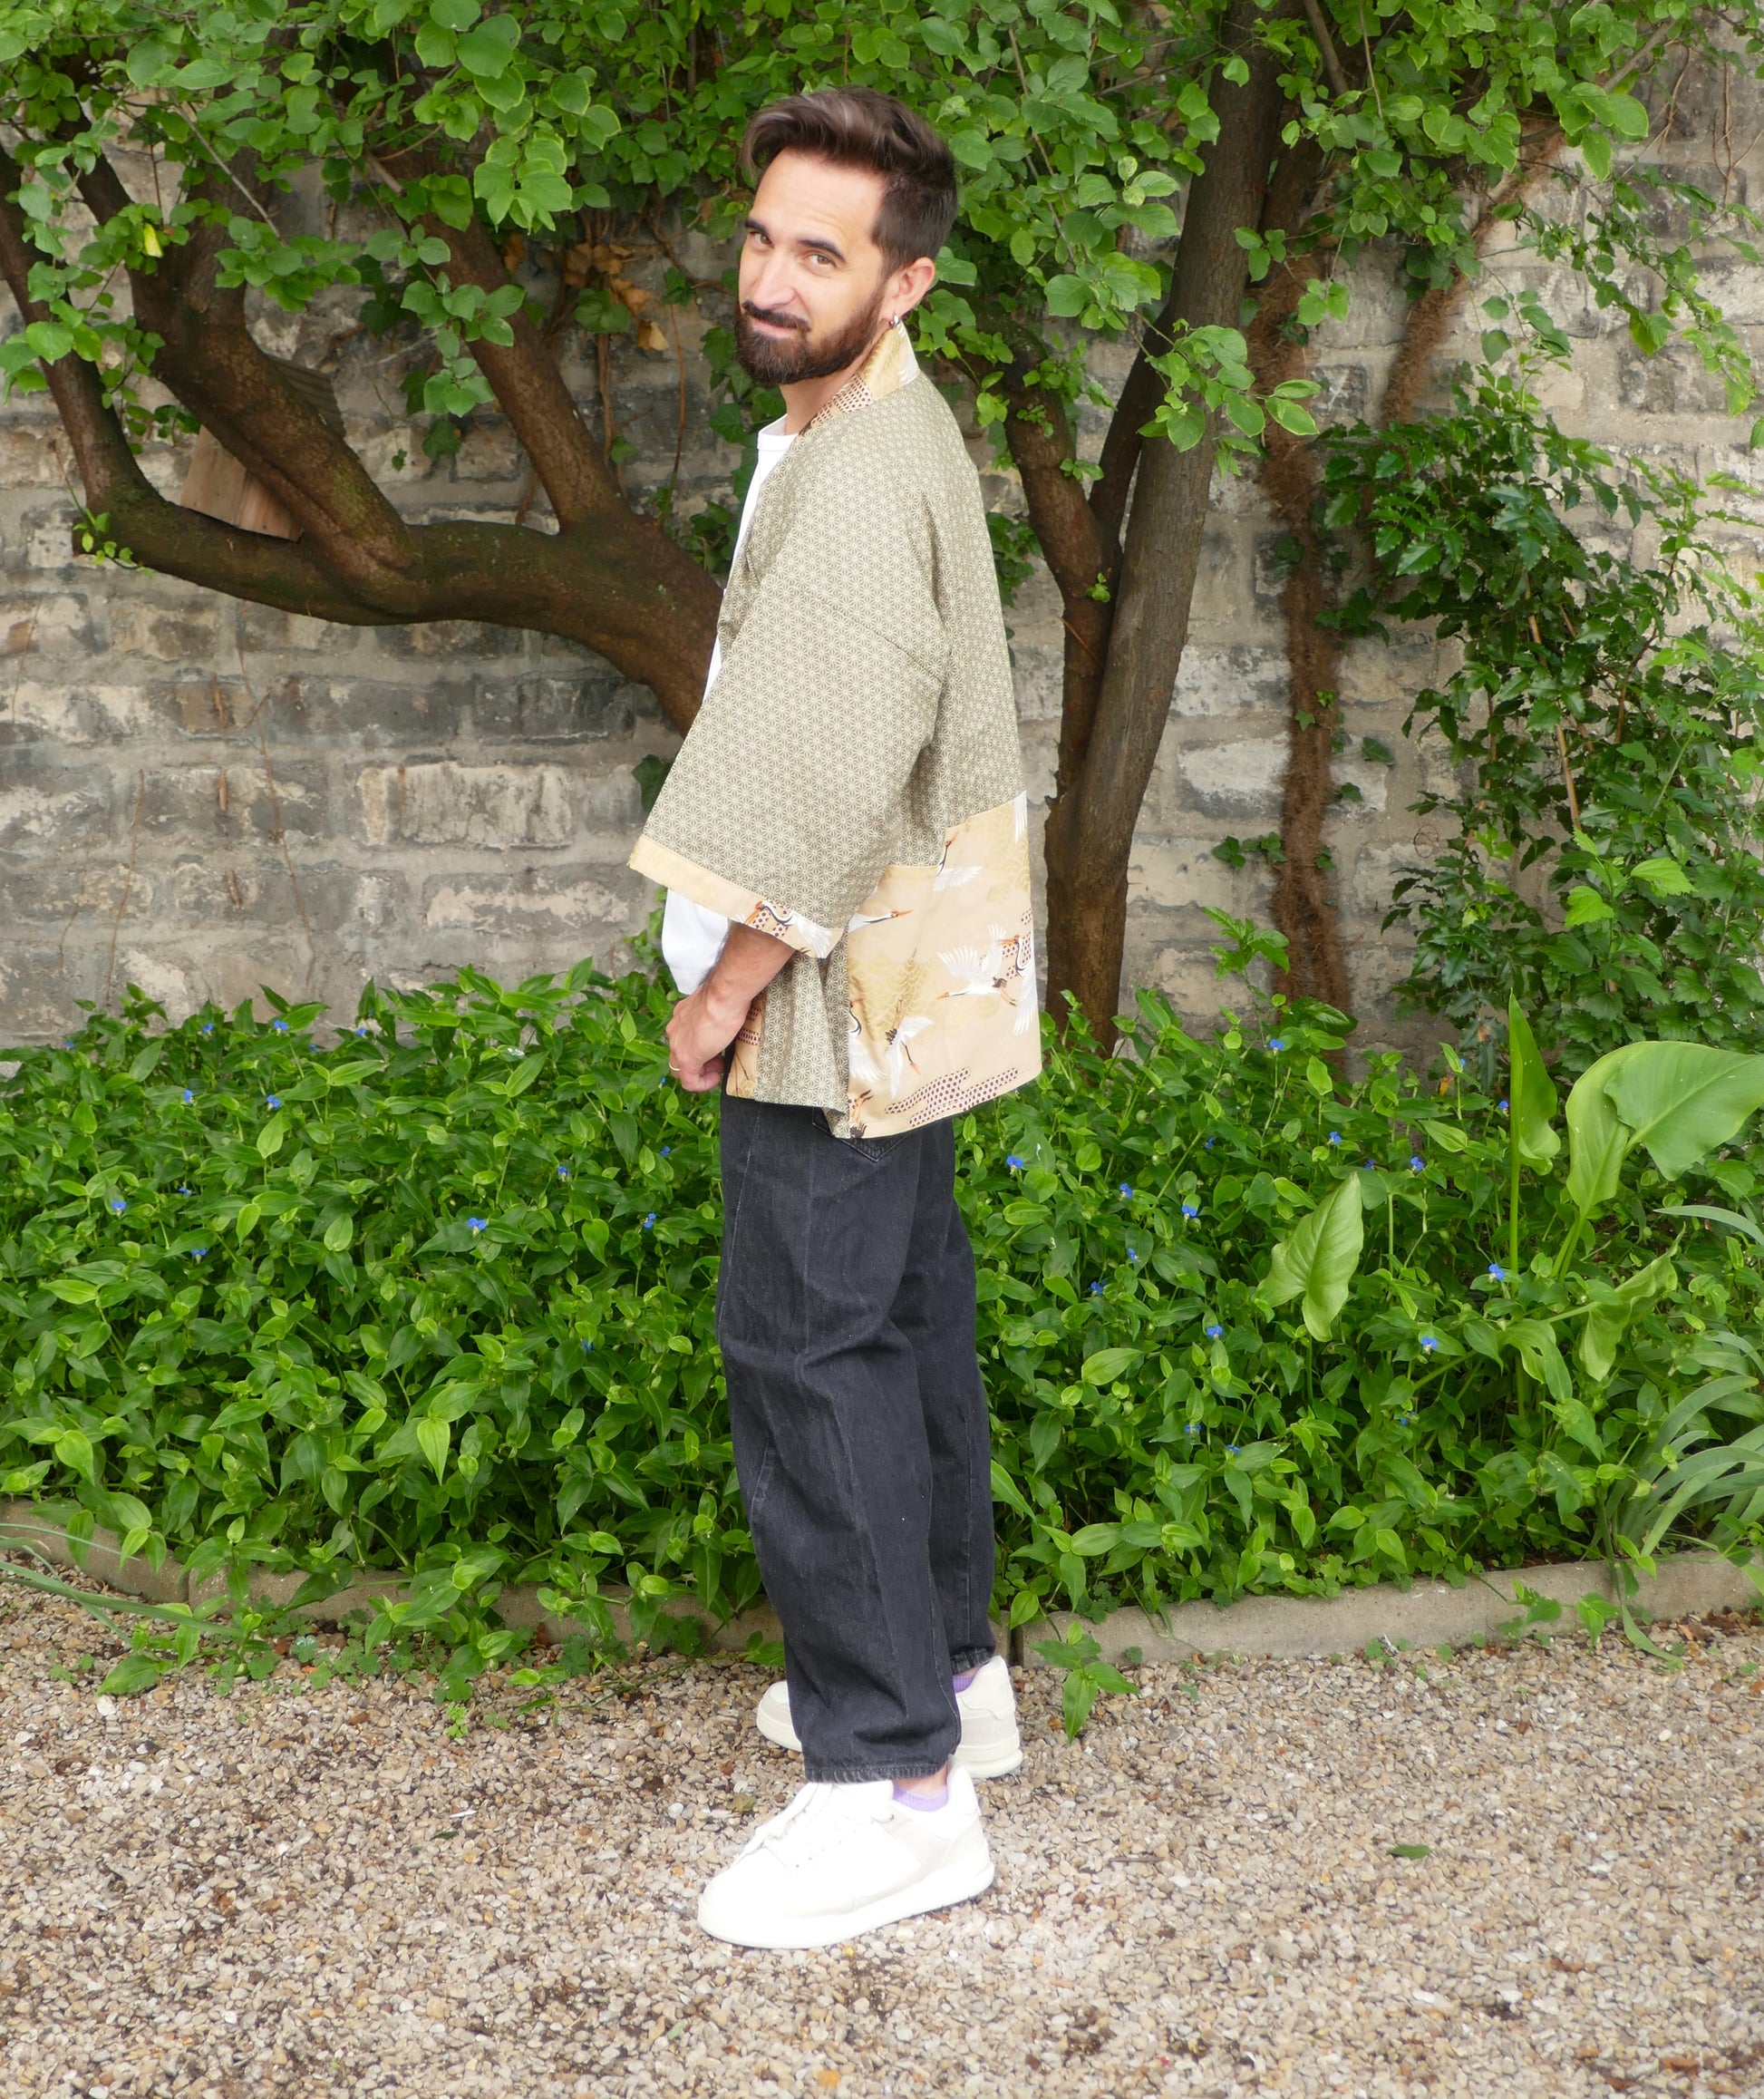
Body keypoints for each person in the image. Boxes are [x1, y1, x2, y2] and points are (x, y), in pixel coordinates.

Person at [626, 85, 1041, 1951]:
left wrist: (721, 990)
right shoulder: (858, 428)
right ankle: (946, 1682)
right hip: (910, 966)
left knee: (810, 1352)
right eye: (763, 237)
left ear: (906, 281)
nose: (776, 279)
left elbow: (826, 756)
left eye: (824, 253)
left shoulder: (860, 466)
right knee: (899, 1318)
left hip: (834, 988)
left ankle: (892, 1791)